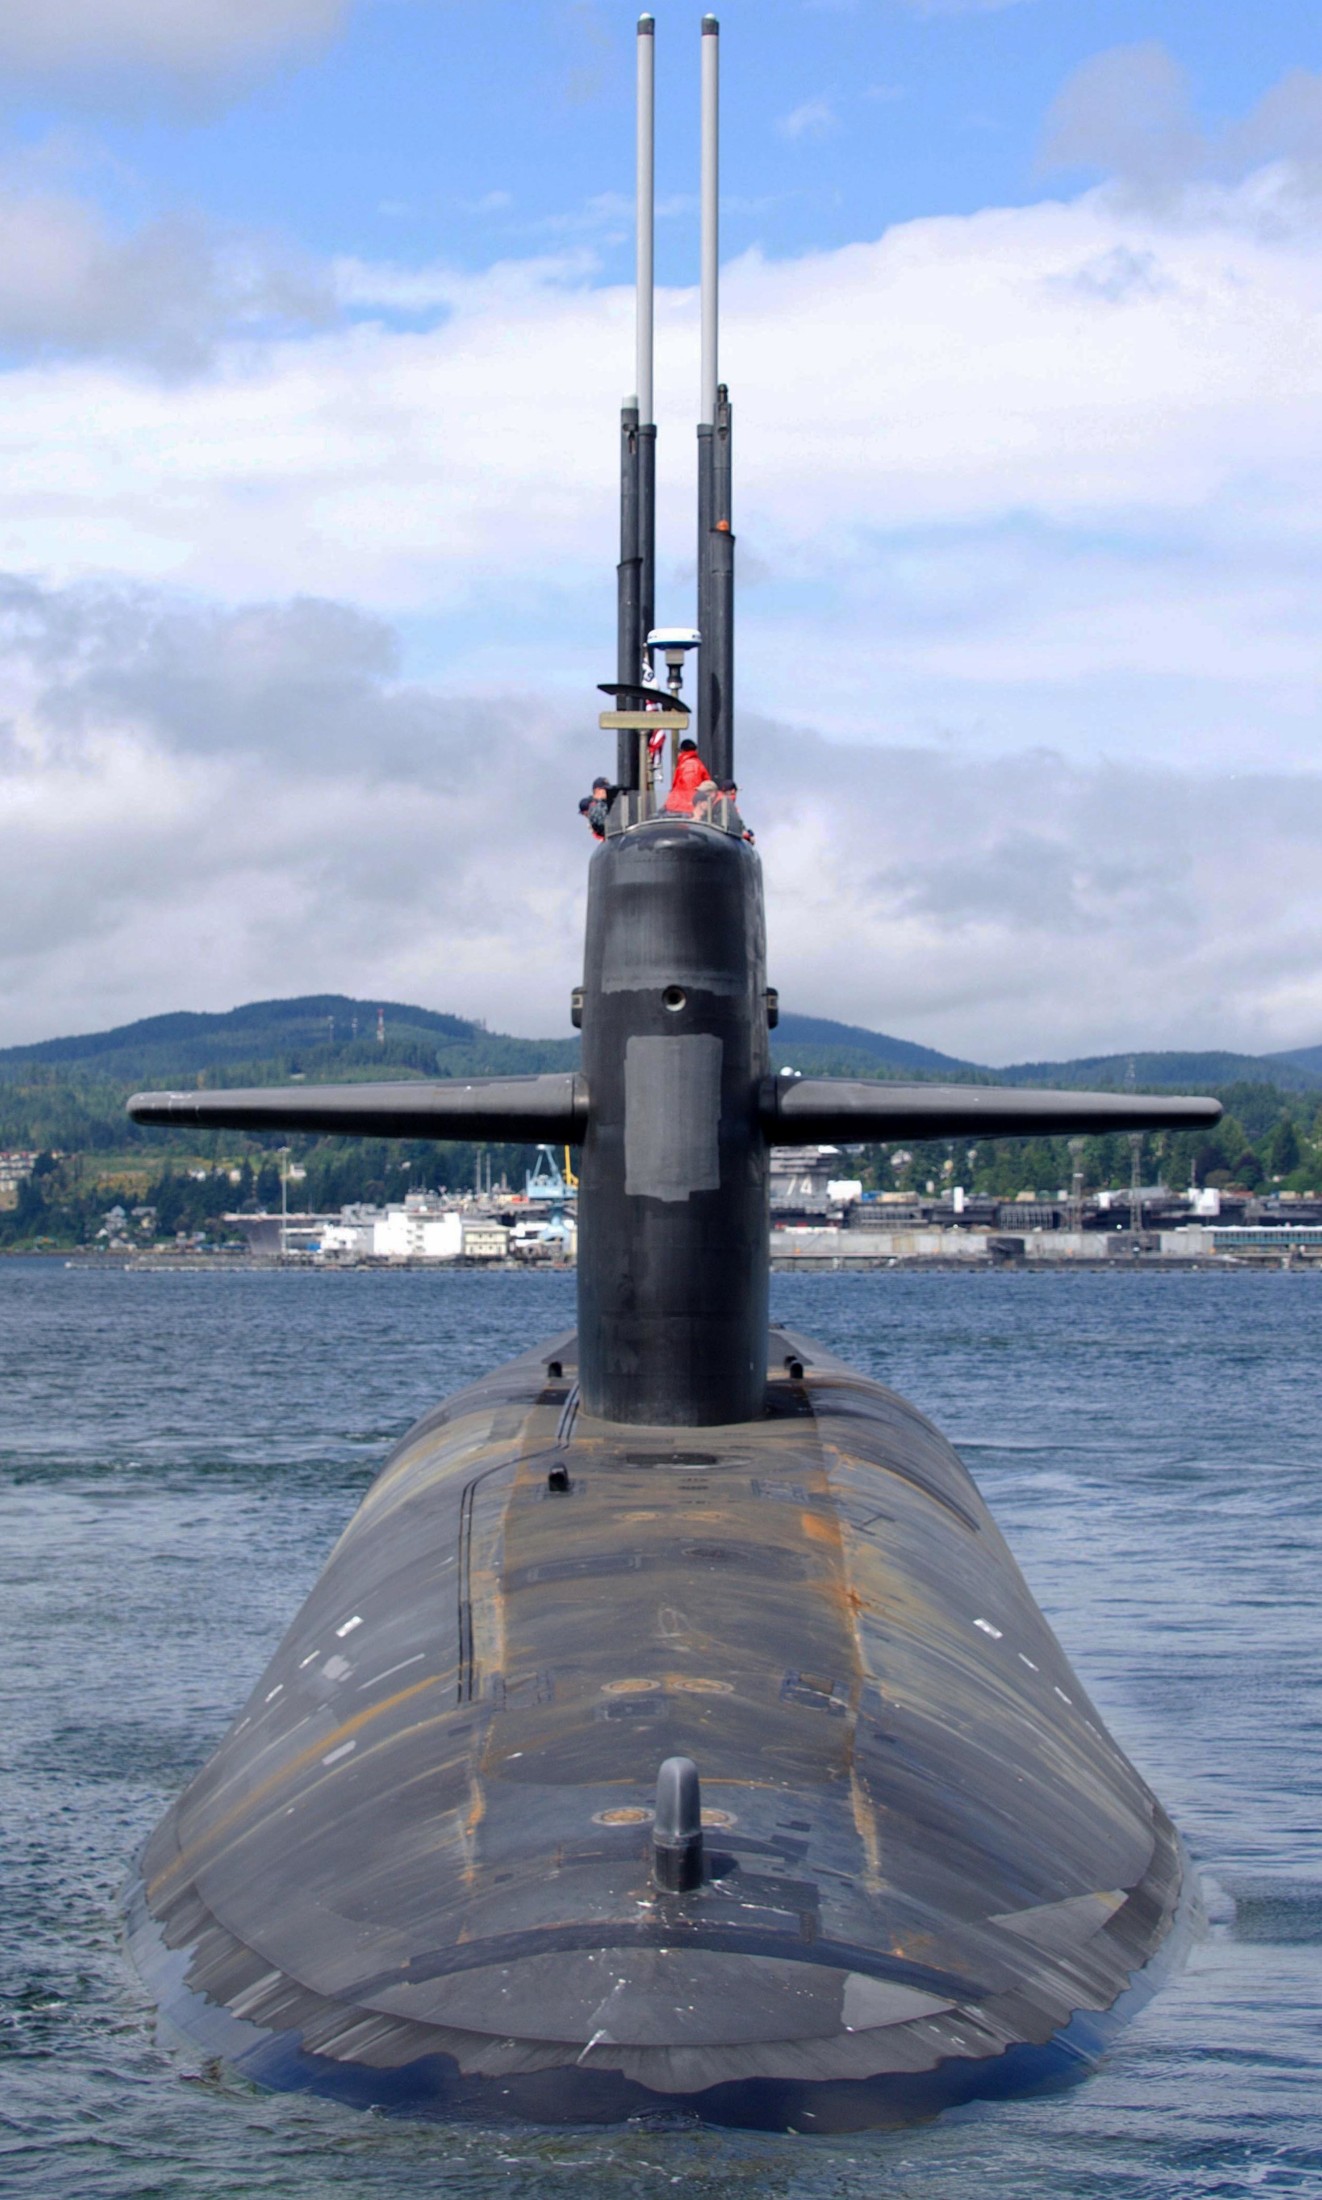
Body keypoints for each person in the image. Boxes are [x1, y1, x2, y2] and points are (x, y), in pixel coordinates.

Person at [663, 738, 714, 816]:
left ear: (682, 750)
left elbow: (689, 789)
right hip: (687, 806)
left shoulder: (688, 765)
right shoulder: (696, 764)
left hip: (684, 808)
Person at [578, 775, 615, 841]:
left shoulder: (604, 803)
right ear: (597, 790)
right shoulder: (594, 807)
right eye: (605, 789)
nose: (607, 792)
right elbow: (607, 824)